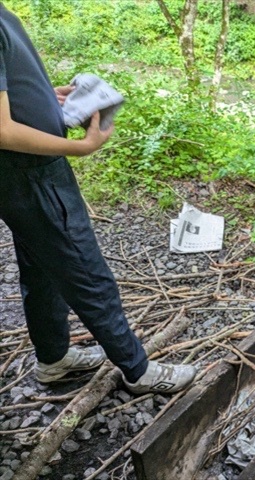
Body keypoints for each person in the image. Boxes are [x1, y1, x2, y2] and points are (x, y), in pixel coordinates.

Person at [0, 4, 196, 394]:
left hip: (22, 175)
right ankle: (137, 370)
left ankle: (53, 359)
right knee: (85, 269)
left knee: (41, 270)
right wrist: (82, 148)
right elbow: (2, 131)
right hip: (31, 175)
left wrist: (40, 94)